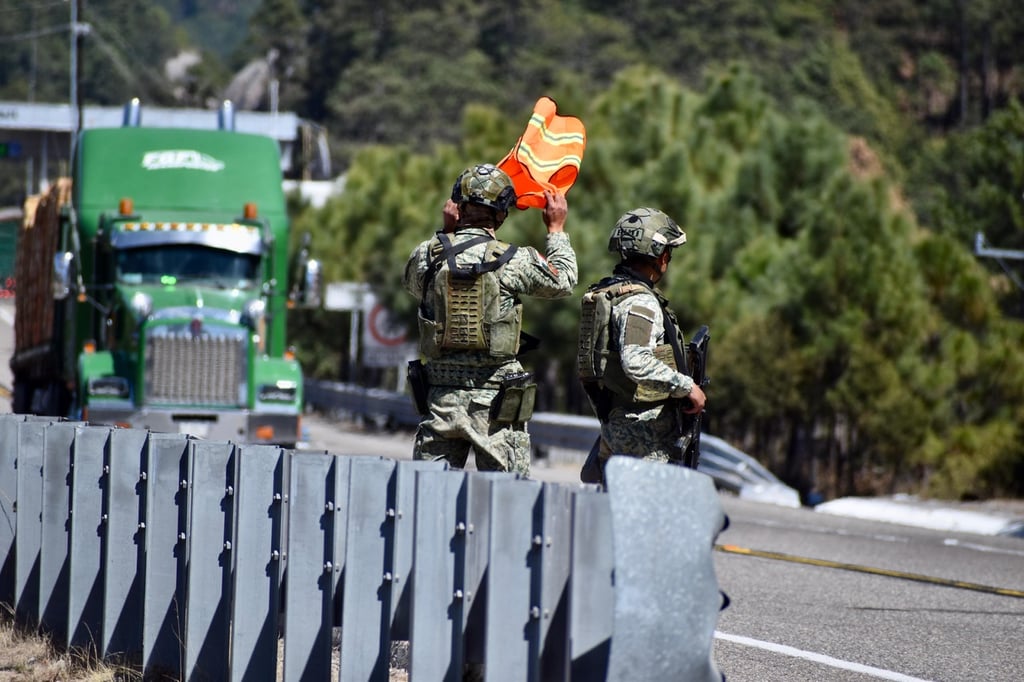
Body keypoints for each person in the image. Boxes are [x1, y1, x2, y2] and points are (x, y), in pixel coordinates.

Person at [403, 163, 577, 475]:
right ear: (502, 213)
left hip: (440, 401)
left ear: (456, 206)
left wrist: (446, 234)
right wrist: (556, 230)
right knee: (507, 506)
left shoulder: (427, 255)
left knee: (426, 504)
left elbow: (415, 286)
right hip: (496, 409)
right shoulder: (514, 259)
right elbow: (563, 281)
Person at [577, 207, 706, 483]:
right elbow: (635, 359)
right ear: (660, 254)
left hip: (617, 425)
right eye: (668, 252)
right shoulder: (640, 301)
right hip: (643, 436)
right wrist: (686, 386)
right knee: (645, 519)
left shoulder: (611, 293)